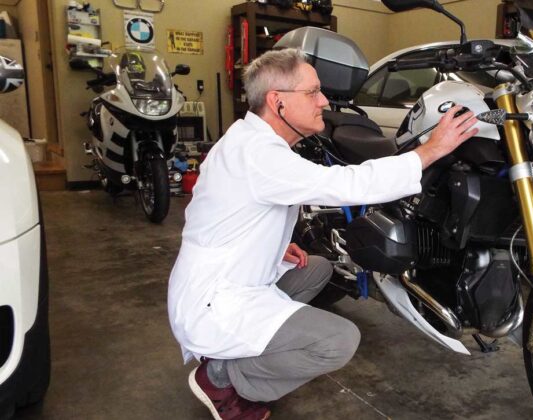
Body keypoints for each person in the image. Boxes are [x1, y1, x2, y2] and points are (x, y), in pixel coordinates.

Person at [167, 48, 478, 420]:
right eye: (312, 92)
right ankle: (221, 377)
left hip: (226, 275)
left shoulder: (250, 139)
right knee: (337, 341)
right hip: (215, 300)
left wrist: (267, 245)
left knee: (316, 268)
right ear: (277, 101)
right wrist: (430, 152)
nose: (324, 101)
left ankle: (244, 351)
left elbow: (217, 211)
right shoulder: (257, 153)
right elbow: (347, 184)